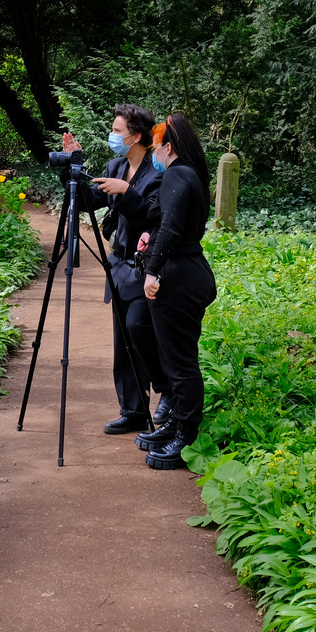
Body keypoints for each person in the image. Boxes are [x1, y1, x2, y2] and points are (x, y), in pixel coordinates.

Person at [63, 103, 169, 435]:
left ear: (136, 136)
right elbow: (86, 200)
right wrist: (73, 170)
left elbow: (153, 216)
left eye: (117, 130)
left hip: (146, 265)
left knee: (140, 328)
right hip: (119, 266)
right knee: (123, 341)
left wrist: (128, 193)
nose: (112, 135)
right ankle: (133, 410)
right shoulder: (116, 165)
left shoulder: (159, 173)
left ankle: (166, 387)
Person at [138, 113, 217, 470]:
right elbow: (170, 227)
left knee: (181, 362)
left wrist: (152, 271)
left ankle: (186, 432)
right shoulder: (191, 175)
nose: (152, 151)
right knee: (173, 357)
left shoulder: (175, 174)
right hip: (187, 272)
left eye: (154, 146)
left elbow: (170, 228)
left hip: (179, 277)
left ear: (168, 147)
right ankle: (175, 423)